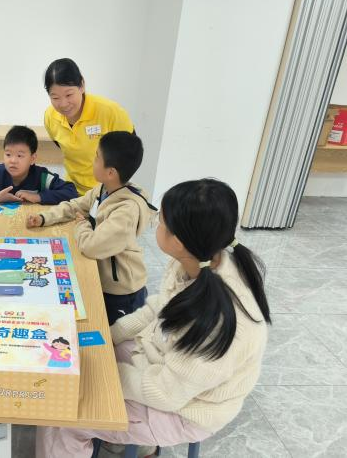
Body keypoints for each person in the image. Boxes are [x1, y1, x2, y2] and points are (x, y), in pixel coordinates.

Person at [35, 179, 272, 458]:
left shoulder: (216, 321)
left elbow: (166, 393)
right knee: (86, 350)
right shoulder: (199, 260)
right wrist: (109, 336)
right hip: (162, 363)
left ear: (178, 242)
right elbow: (158, 308)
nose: (155, 224)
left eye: (160, 221)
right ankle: (133, 440)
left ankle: (122, 435)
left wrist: (108, 375)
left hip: (185, 409)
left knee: (65, 417)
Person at [27, 131, 153, 324]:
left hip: (122, 292)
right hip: (101, 276)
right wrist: (44, 217)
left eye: (96, 157)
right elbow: (75, 206)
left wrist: (82, 224)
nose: (92, 161)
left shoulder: (126, 211)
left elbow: (92, 246)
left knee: (114, 335)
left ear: (111, 172)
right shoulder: (104, 188)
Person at [43, 58, 135, 196]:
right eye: (55, 98)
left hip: (106, 192)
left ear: (82, 85)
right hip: (72, 191)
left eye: (69, 94)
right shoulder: (50, 116)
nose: (63, 104)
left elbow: (132, 153)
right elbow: (62, 146)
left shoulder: (110, 112)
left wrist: (113, 189)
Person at [0, 125, 77, 204]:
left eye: (20, 156)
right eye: (8, 154)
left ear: (32, 159)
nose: (13, 160)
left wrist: (38, 197)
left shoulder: (42, 176)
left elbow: (71, 192)